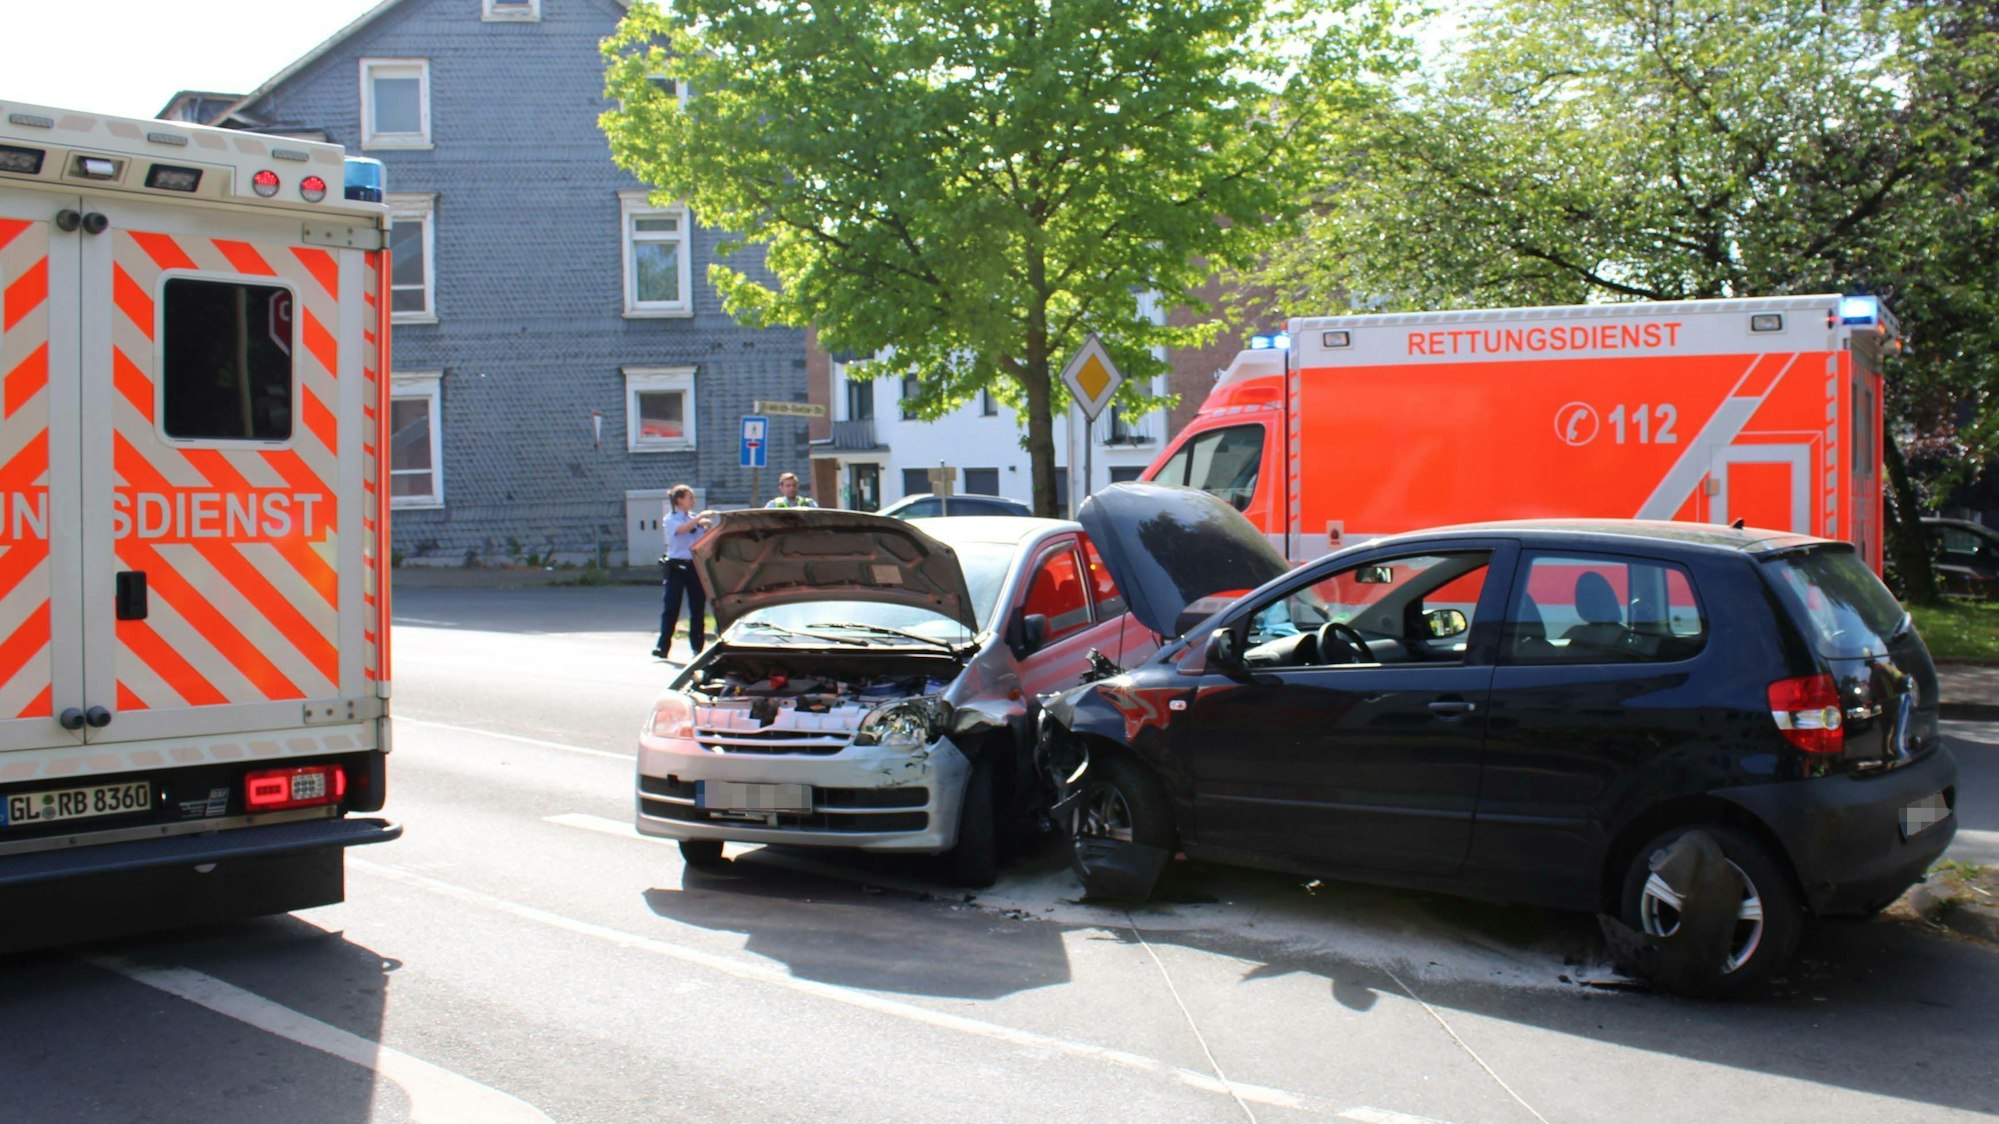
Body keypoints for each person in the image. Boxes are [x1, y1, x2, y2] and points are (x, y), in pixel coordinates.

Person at [655, 485, 716, 660]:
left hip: (694, 566)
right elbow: (681, 529)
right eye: (690, 497)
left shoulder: (692, 519)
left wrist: (706, 526)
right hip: (676, 567)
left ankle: (697, 647)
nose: (693, 501)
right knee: (671, 607)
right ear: (679, 500)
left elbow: (702, 540)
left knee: (697, 607)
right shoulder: (671, 519)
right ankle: (663, 646)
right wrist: (699, 518)